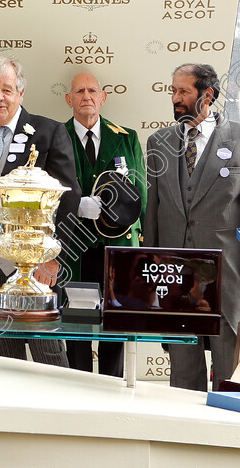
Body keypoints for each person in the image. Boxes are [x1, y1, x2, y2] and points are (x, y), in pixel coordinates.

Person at [145, 63, 240, 392]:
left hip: (228, 276)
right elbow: (154, 210)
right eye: (173, 91)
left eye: (183, 91)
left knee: (232, 369)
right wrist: (150, 267)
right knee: (183, 371)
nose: (175, 98)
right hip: (174, 275)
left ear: (208, 95)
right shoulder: (158, 142)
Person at [0, 56, 80, 366]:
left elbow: (69, 201)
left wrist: (53, 260)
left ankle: (57, 413)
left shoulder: (48, 132)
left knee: (48, 353)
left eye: (7, 90)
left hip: (38, 266)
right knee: (4, 356)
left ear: (20, 94)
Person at [62, 71, 146, 377]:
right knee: (75, 329)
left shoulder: (126, 137)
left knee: (115, 326)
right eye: (80, 91)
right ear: (69, 99)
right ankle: (77, 390)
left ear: (103, 97)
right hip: (74, 249)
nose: (87, 96)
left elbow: (141, 196)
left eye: (92, 90)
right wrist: (75, 204)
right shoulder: (55, 137)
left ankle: (111, 394)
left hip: (117, 247)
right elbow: (47, 190)